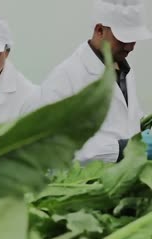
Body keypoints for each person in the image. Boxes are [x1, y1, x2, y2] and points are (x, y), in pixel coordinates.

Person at [41, 0, 152, 163]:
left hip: (126, 180)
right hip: (91, 183)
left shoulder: (125, 70)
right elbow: (54, 145)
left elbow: (126, 119)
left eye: (134, 39)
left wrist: (145, 127)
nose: (130, 47)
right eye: (123, 39)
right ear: (100, 30)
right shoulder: (66, 77)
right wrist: (123, 149)